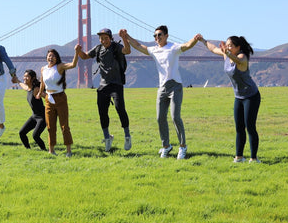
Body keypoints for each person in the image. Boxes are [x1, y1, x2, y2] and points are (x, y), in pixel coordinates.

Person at [122, 26, 201, 160]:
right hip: (162, 88)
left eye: (159, 35)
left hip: (175, 86)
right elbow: (137, 45)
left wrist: (195, 39)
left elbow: (187, 45)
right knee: (160, 118)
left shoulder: (173, 47)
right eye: (155, 36)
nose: (157, 38)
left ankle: (182, 146)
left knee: (175, 117)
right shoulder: (154, 50)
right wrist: (126, 36)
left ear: (166, 36)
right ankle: (166, 146)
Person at [200, 36, 261, 163]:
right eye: (226, 45)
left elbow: (237, 61)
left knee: (250, 127)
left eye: (230, 45)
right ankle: (239, 157)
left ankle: (254, 158)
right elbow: (213, 49)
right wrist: (203, 41)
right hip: (238, 97)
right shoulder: (226, 55)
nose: (227, 47)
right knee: (239, 127)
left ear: (238, 47)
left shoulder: (242, 57)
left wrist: (227, 53)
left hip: (251, 96)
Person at [78, 28, 132, 152]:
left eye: (106, 38)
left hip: (116, 84)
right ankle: (107, 138)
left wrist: (124, 37)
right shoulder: (98, 48)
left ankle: (127, 136)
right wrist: (78, 51)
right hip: (103, 86)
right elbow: (85, 56)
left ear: (110, 38)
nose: (103, 40)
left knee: (120, 108)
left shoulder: (116, 47)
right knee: (102, 113)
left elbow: (127, 50)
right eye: (101, 38)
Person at [37, 46, 81, 157]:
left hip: (60, 98)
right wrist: (39, 93)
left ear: (57, 58)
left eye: (53, 56)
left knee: (64, 126)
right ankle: (51, 150)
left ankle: (69, 151)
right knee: (50, 126)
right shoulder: (43, 69)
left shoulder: (59, 67)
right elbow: (42, 82)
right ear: (46, 57)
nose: (51, 57)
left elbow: (73, 65)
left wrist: (77, 52)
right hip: (48, 98)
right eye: (49, 55)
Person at [17, 69, 47, 151]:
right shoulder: (28, 88)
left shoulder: (36, 89)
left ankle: (44, 150)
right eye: (24, 76)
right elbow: (23, 86)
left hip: (43, 117)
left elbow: (48, 98)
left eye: (27, 76)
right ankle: (28, 150)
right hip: (34, 116)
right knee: (22, 133)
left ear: (33, 78)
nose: (25, 78)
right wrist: (17, 81)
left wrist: (41, 94)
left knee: (35, 136)